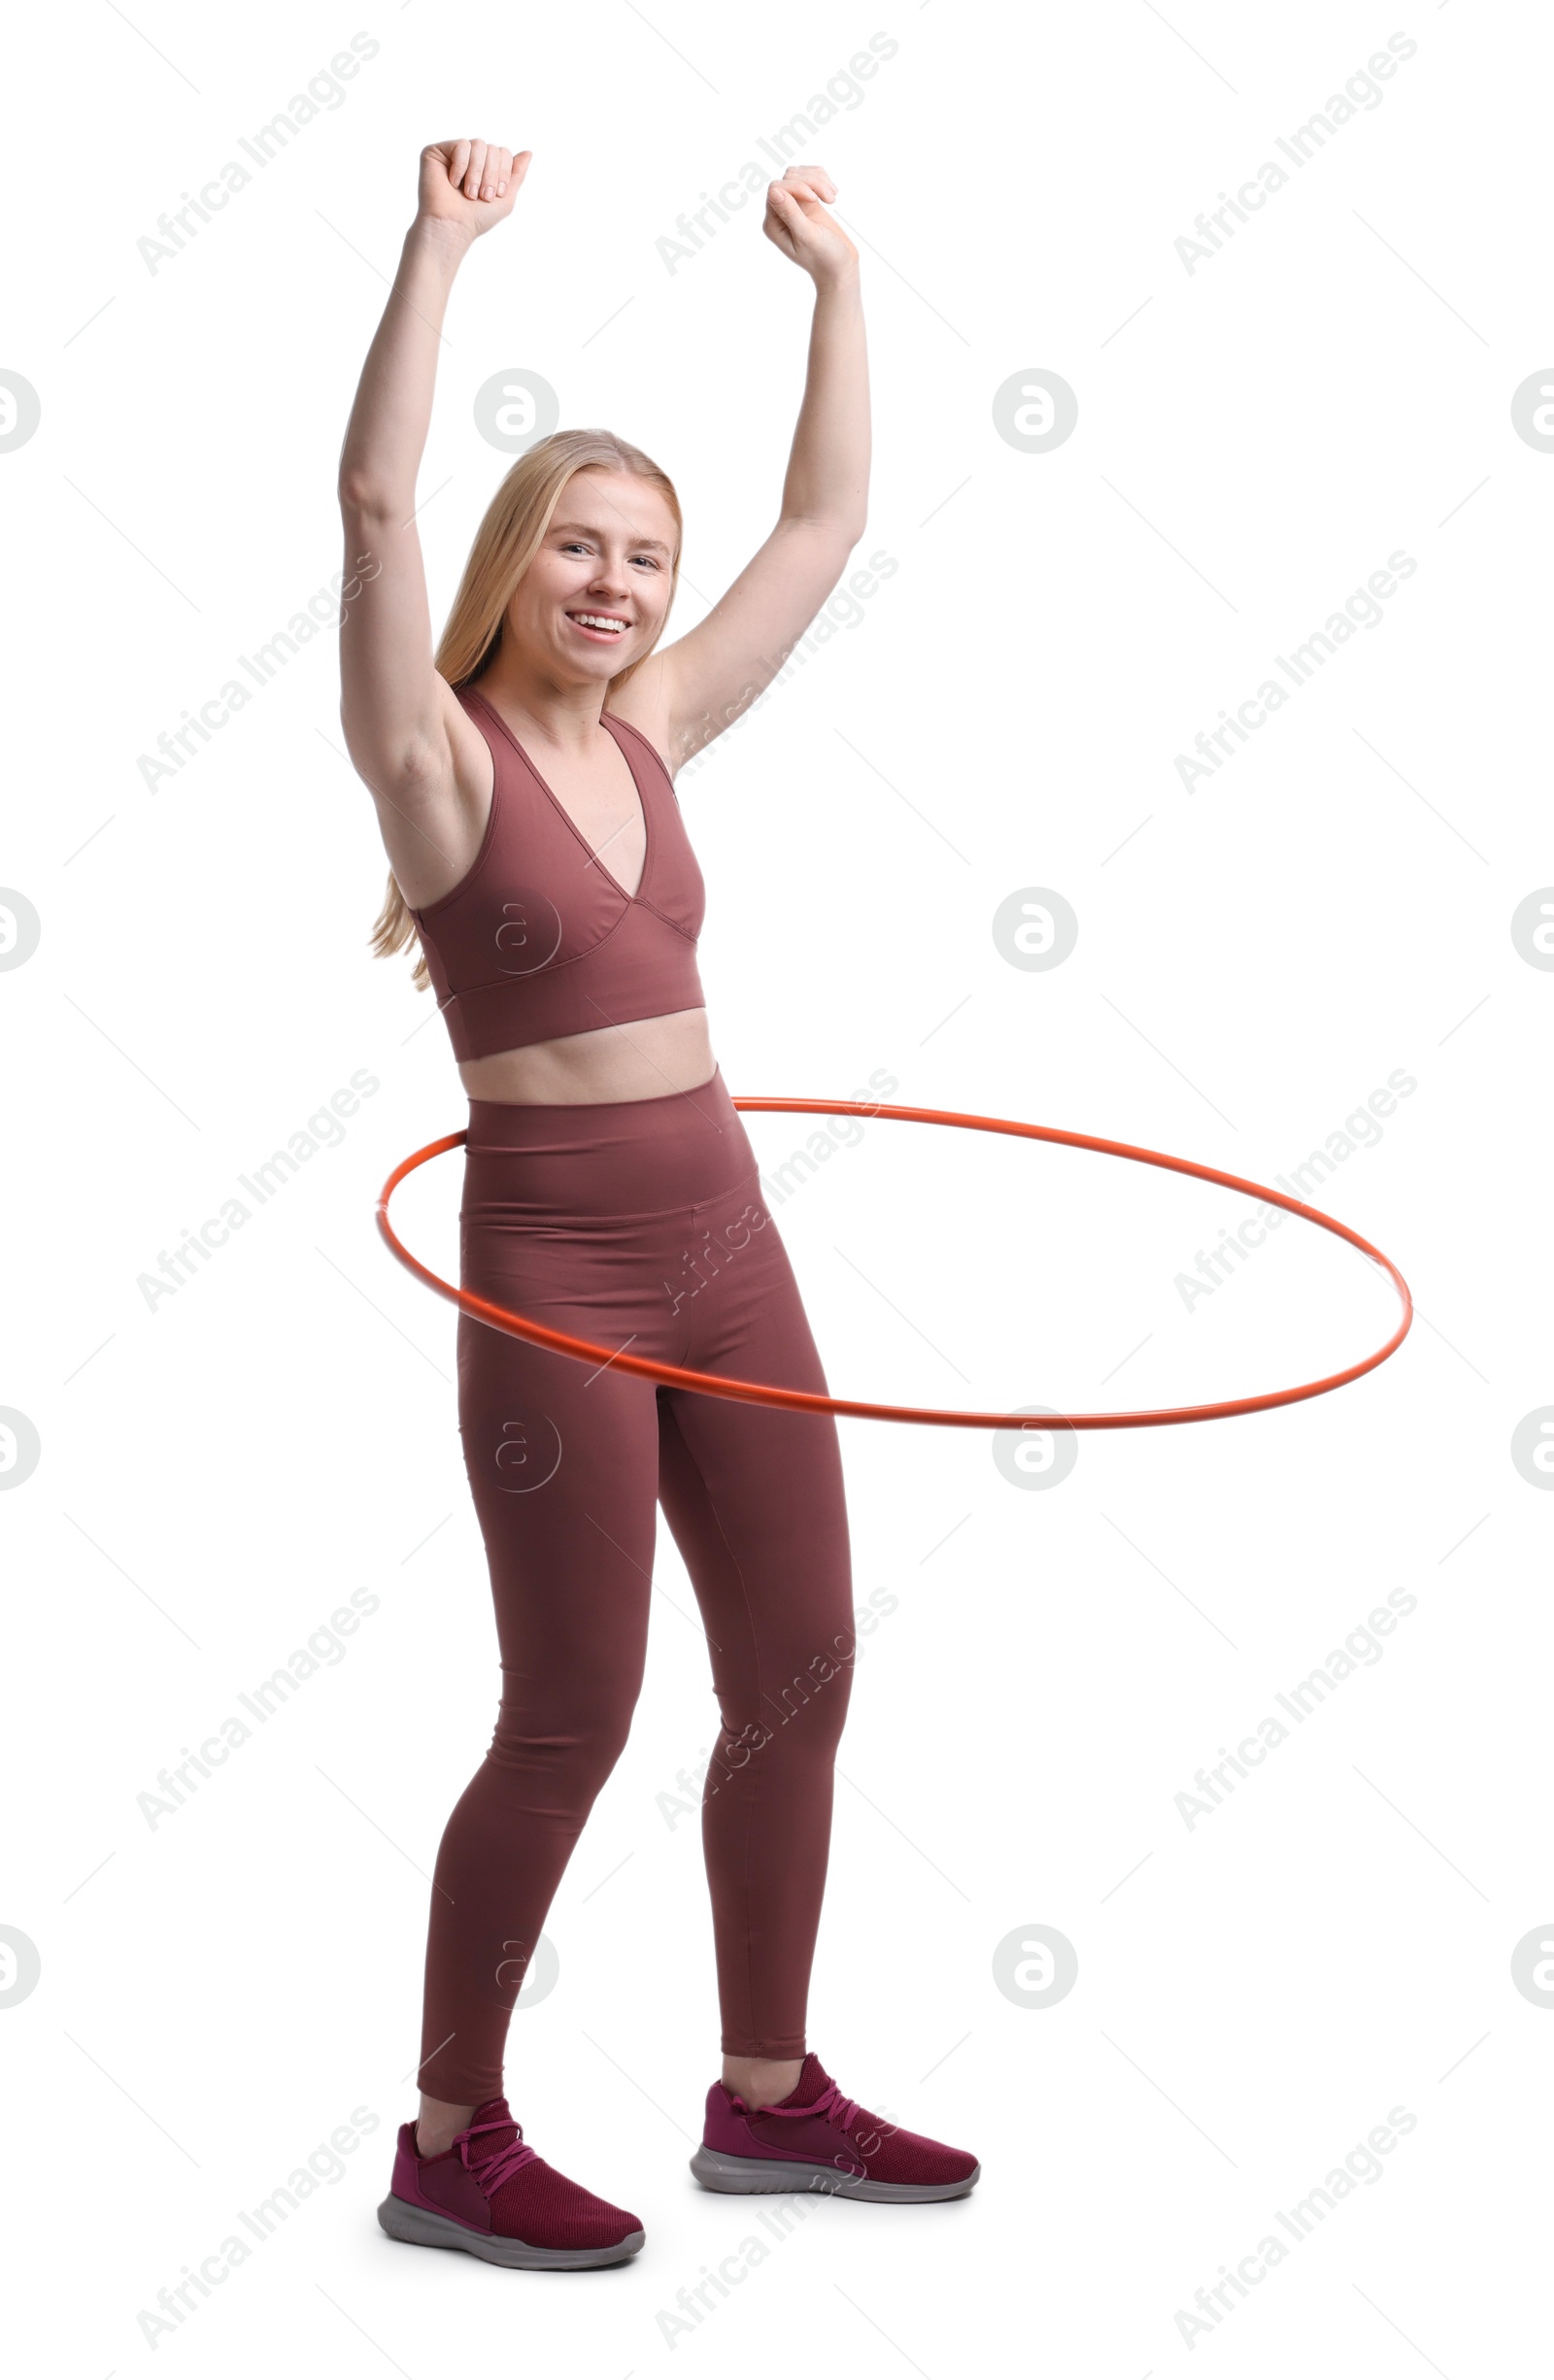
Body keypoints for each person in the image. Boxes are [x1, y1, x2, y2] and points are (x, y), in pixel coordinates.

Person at [337, 136, 978, 2273]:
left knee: (798, 1665)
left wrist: (835, 285)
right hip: (553, 1272)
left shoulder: (663, 723)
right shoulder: (434, 757)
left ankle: (767, 2094)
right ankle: (450, 2128)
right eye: (579, 549)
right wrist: (436, 251)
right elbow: (366, 509)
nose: (614, 586)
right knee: (570, 1711)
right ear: (516, 562)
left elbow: (825, 523)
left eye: (640, 556)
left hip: (728, 1248)